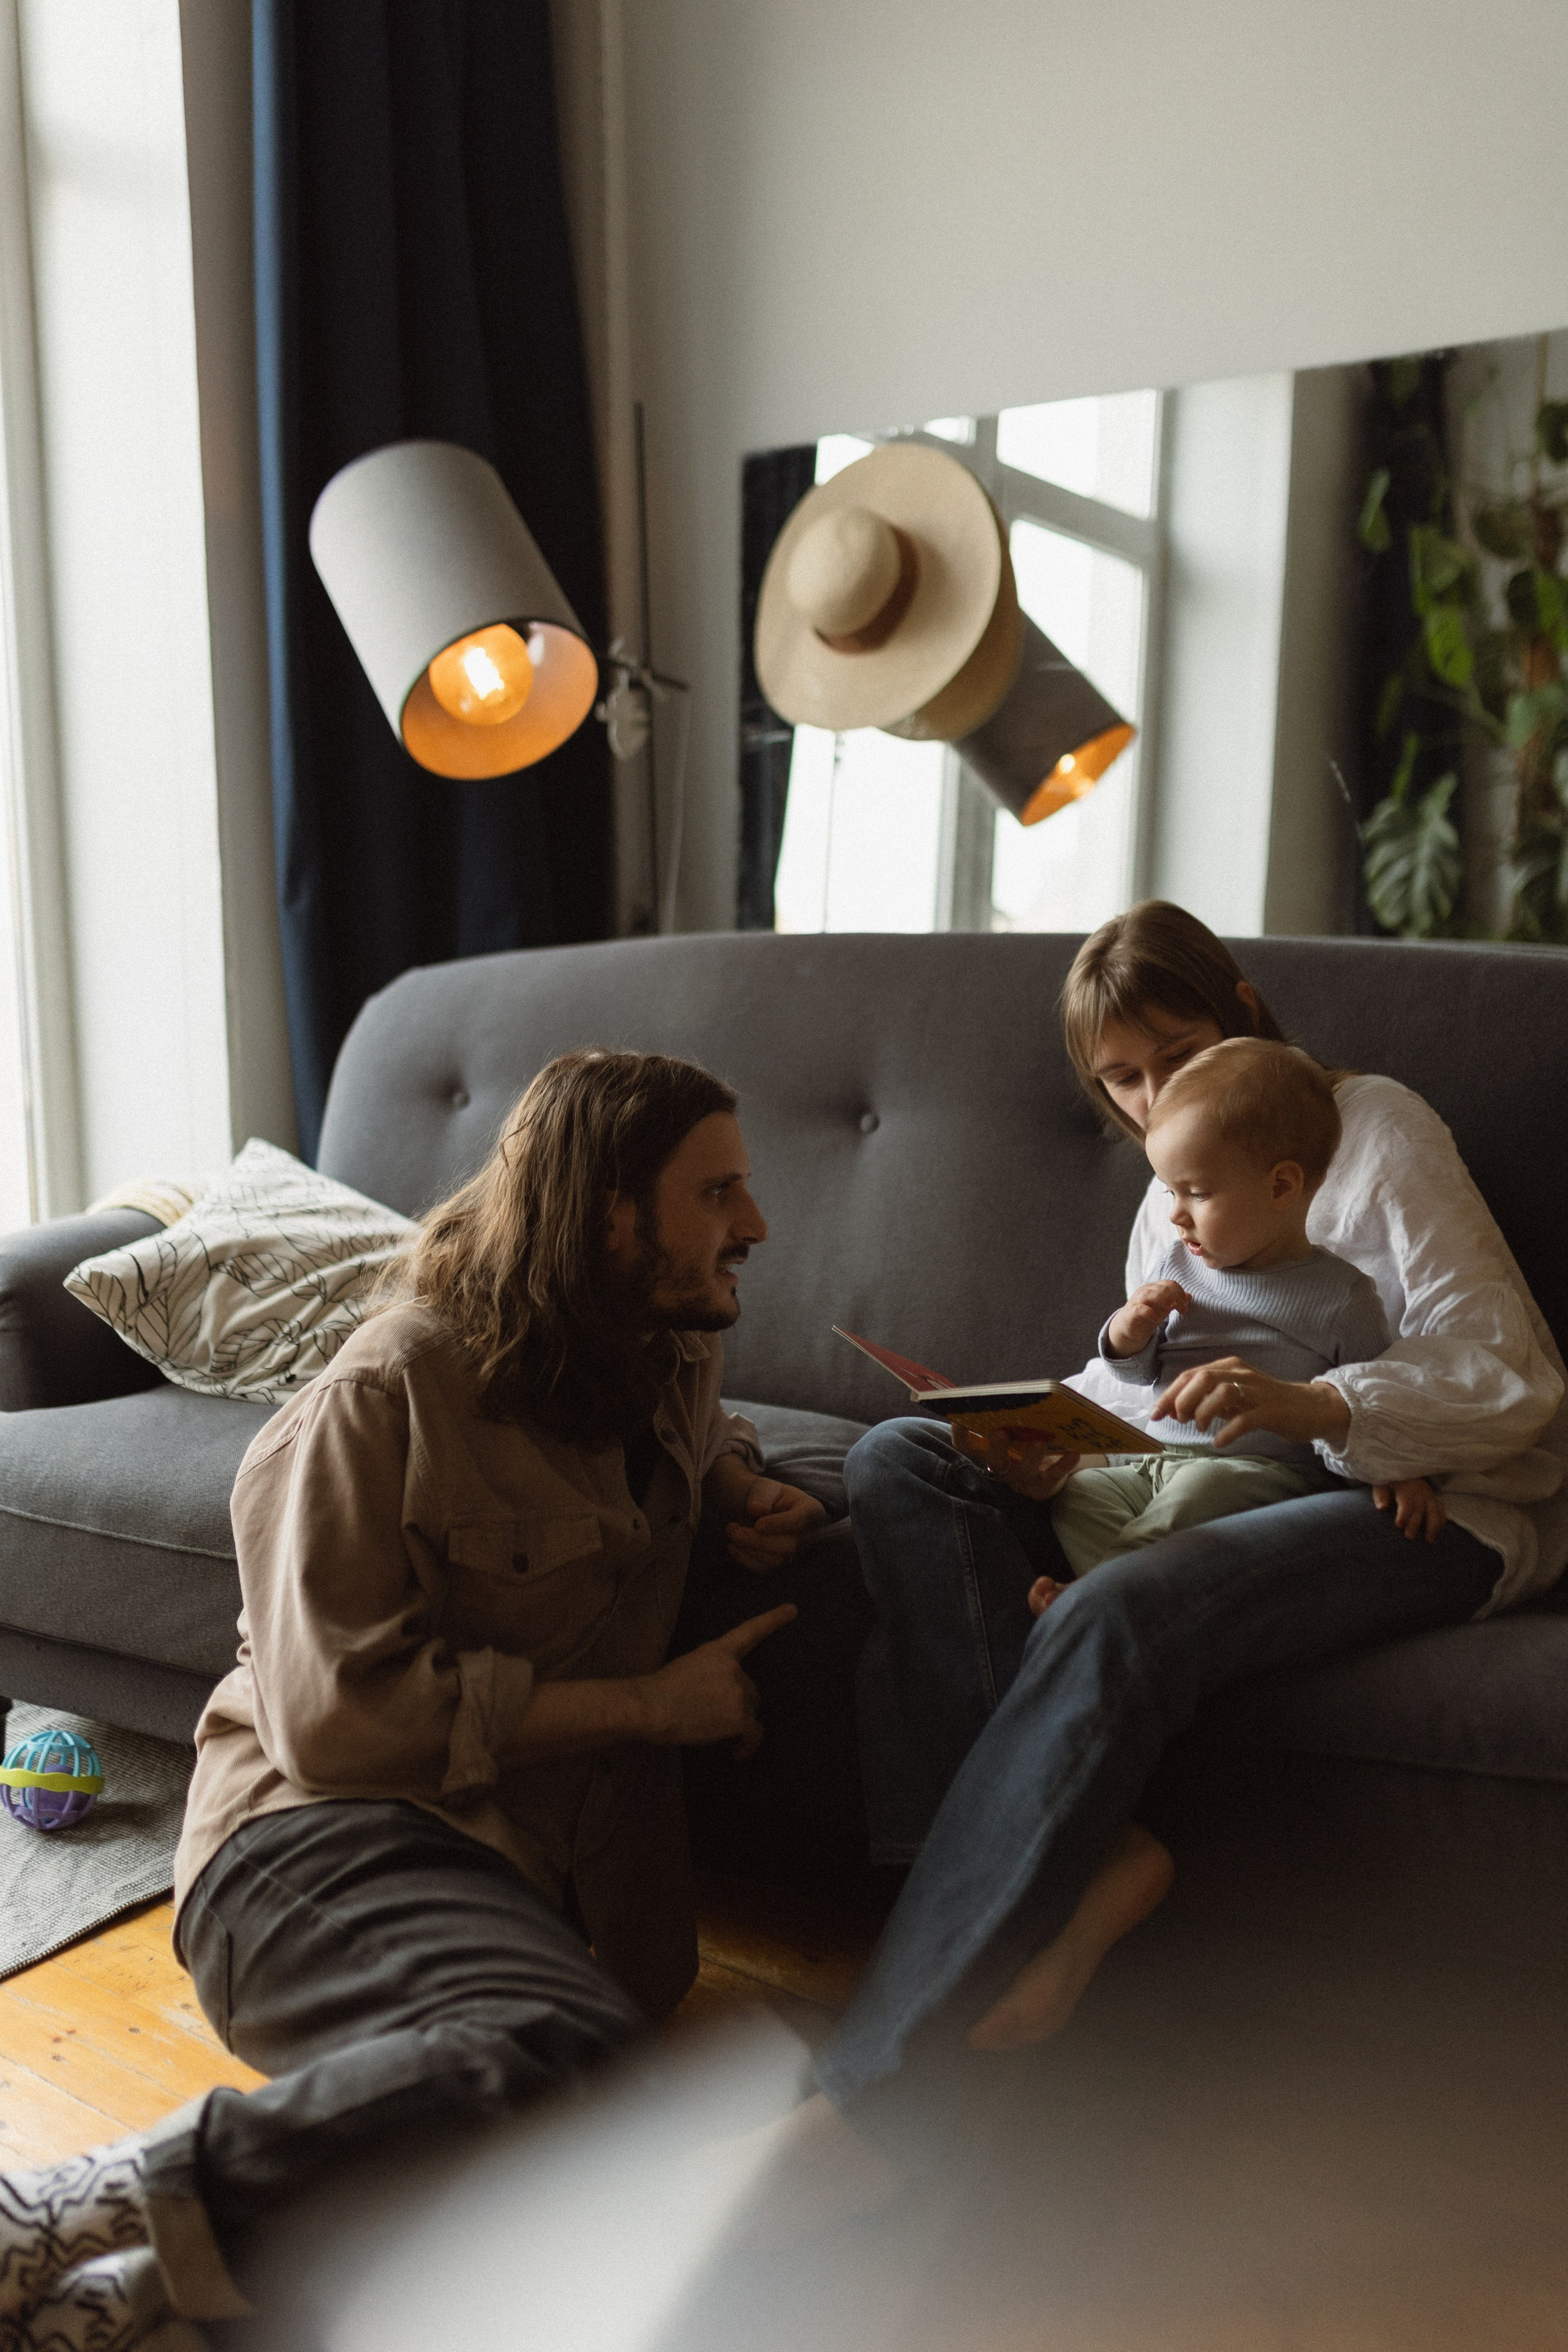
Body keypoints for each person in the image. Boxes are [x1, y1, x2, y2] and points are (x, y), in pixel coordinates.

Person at [0, 1049, 825, 2350]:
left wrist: (731, 1487)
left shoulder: (665, 1355)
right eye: (716, 1191)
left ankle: (143, 2310)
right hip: (312, 1842)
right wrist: (651, 1707)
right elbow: (334, 1728)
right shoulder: (383, 1394)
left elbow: (690, 1439)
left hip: (534, 1879)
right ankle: (66, 2202)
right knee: (568, 2054)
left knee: (605, 2145)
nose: (755, 1225)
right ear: (611, 1213)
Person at [818, 900, 1566, 2125]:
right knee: (904, 1456)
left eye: (1173, 1056)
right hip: (1195, 1477)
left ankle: (870, 2092)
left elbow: (1508, 1378)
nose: (1151, 1096)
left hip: (1427, 1506)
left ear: (1244, 1018)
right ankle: (1080, 1865)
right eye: (1121, 1080)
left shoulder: (1369, 1131)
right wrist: (1045, 1446)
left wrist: (1321, 1407)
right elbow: (1152, 1395)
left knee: (1116, 1612)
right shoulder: (1166, 1186)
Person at [1038, 1032, 1442, 1610]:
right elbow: (1140, 1374)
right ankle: (1126, 1598)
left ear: (1282, 1186)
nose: (1175, 1216)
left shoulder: (1341, 1296)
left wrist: (1396, 1469)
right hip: (1156, 1458)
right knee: (1080, 1494)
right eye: (1170, 1192)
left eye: (1197, 1193)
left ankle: (1095, 1601)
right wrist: (1129, 1333)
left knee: (1199, 1494)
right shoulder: (1178, 1262)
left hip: (1252, 1471)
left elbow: (1365, 1402)